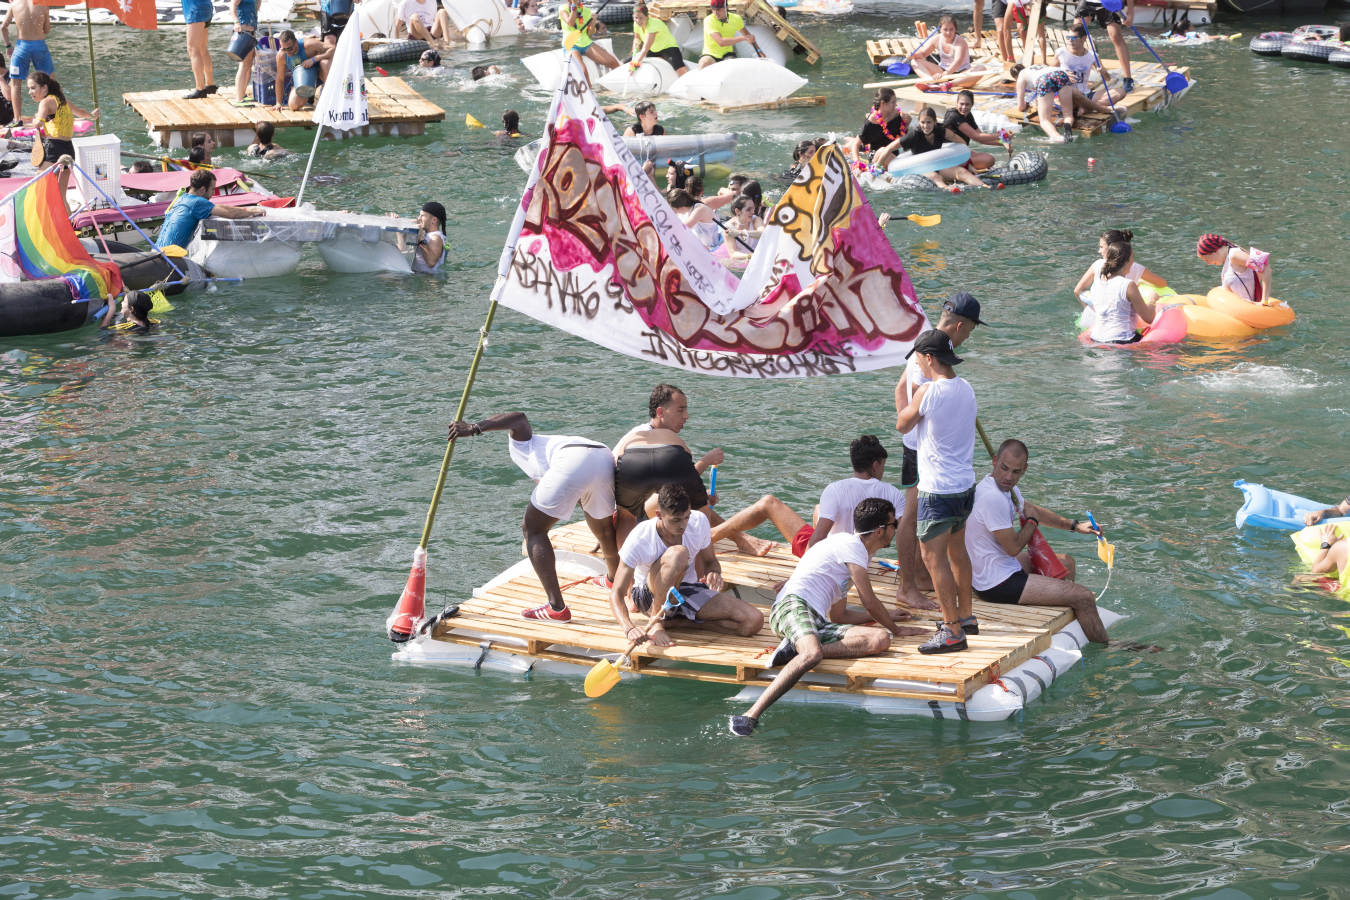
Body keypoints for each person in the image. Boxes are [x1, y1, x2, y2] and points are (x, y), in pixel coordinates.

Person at [727, 497, 926, 736]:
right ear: (880, 530)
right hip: (792, 606)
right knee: (812, 654)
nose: (895, 530)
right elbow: (869, 601)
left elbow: (840, 615)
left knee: (880, 639)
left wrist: (887, 619)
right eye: (894, 525)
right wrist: (897, 628)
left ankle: (794, 649)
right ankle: (750, 715)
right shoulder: (851, 547)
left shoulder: (856, 553)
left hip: (818, 620)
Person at [447, 412, 620, 621]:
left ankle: (556, 608)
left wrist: (474, 428)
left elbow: (519, 418)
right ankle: (614, 580)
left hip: (573, 459)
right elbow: (581, 493)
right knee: (604, 531)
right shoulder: (549, 446)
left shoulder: (521, 446)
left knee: (533, 529)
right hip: (602, 454)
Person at [964, 439, 1111, 643]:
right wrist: (1032, 523)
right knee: (1084, 596)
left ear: (1025, 469)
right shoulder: (992, 497)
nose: (1008, 477)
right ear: (994, 461)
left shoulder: (1006, 489)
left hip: (1002, 566)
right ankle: (1109, 645)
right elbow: (1014, 548)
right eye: (1004, 468)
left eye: (1016, 472)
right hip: (995, 583)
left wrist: (1075, 525)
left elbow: (1034, 510)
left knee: (1067, 562)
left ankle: (1062, 615)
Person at [893, 293, 983, 612]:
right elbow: (912, 399)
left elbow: (903, 392)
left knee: (923, 520)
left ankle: (920, 577)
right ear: (960, 325)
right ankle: (908, 586)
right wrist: (911, 430)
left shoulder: (929, 344)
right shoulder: (929, 353)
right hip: (923, 454)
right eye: (970, 330)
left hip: (930, 450)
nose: (968, 337)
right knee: (914, 515)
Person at [613, 384, 776, 556]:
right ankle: (735, 542)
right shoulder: (646, 438)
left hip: (630, 510)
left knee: (693, 498)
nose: (686, 416)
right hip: (633, 515)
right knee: (691, 501)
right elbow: (675, 484)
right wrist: (705, 462)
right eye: (680, 410)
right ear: (660, 412)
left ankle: (736, 538)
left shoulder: (640, 437)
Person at [608, 484, 763, 647]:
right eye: (675, 520)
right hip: (648, 595)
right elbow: (616, 593)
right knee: (678, 554)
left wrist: (714, 572)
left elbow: (711, 562)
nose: (683, 525)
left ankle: (677, 623)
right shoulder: (640, 537)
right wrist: (629, 628)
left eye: (686, 517)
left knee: (753, 622)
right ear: (659, 515)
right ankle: (657, 621)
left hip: (686, 589)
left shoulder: (699, 521)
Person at [803, 435, 936, 612]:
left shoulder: (834, 489)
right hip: (863, 559)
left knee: (820, 510)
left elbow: (818, 537)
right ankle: (913, 581)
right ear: (875, 465)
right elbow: (909, 532)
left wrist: (802, 574)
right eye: (882, 465)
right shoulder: (891, 492)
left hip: (834, 560)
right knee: (911, 524)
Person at [154, 168, 266, 250]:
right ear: (203, 189)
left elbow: (217, 207)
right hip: (170, 258)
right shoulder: (197, 202)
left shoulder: (180, 199)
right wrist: (250, 211)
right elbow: (230, 214)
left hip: (156, 251)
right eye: (212, 189)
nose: (213, 193)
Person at [1077, 239, 1154, 344]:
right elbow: (1149, 318)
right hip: (1122, 340)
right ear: (1127, 261)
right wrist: (1152, 301)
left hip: (1096, 338)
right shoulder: (1128, 285)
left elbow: (1078, 291)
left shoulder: (1098, 284)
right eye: (1132, 258)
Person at [897, 106, 990, 192]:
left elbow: (962, 144)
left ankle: (985, 186)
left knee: (961, 171)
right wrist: (882, 168)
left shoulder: (941, 131)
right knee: (935, 177)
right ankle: (947, 189)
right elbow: (890, 147)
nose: (926, 126)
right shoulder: (914, 135)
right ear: (918, 122)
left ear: (934, 122)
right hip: (920, 167)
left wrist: (967, 162)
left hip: (937, 165)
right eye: (923, 122)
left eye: (929, 122)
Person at [26, 73, 97, 169]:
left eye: (33, 88)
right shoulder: (64, 102)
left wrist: (36, 119)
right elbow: (81, 113)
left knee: (41, 182)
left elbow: (38, 123)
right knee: (62, 184)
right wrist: (92, 116)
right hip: (68, 148)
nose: (29, 92)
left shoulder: (45, 102)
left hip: (54, 147)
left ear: (44, 87)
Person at [1056, 26, 1126, 116]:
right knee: (1071, 92)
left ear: (1083, 38)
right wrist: (1063, 74)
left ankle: (1088, 107)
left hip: (1085, 94)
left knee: (1121, 92)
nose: (1070, 40)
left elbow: (1107, 79)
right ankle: (1091, 107)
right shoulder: (1061, 53)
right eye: (1068, 38)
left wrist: (1104, 72)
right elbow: (1047, 73)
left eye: (1073, 38)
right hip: (1068, 95)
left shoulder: (1093, 56)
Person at [2, 0, 50, 126]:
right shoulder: (43, 4)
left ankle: (17, 120)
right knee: (49, 81)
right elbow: (46, 30)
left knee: (15, 84)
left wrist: (8, 46)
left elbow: (3, 27)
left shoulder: (14, 4)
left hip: (22, 47)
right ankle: (50, 115)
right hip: (39, 46)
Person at [1076, 0, 1134, 93]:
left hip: (1109, 2)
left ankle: (1128, 79)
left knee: (1116, 36)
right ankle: (1076, 76)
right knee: (1076, 35)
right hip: (1088, 1)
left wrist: (1130, 13)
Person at [1196, 233, 1272, 304]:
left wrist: (1264, 300)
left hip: (1248, 310)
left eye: (1206, 259)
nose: (1208, 263)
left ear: (1213, 251)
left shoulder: (1234, 255)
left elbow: (1265, 269)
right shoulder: (1229, 257)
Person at [1010, 63, 1077, 142]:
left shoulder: (1021, 76)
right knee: (1068, 115)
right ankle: (1068, 134)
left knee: (1044, 121)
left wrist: (1026, 104)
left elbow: (1021, 107)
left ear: (1015, 78)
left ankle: (1059, 138)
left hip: (1045, 79)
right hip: (1061, 74)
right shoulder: (1035, 67)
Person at [942, 90, 1005, 171]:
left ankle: (965, 166)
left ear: (972, 105)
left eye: (967, 104)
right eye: (961, 104)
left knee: (982, 157)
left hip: (959, 150)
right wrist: (1001, 134)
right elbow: (977, 137)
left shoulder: (968, 115)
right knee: (989, 159)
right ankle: (958, 168)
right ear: (956, 103)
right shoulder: (953, 116)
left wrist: (1002, 143)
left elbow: (982, 139)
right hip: (948, 153)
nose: (964, 107)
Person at [560, 0, 620, 82]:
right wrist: (574, 4)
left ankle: (615, 86)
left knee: (613, 62)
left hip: (586, 43)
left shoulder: (586, 11)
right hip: (571, 45)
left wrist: (593, 21)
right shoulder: (563, 8)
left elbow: (589, 34)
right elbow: (571, 22)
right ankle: (590, 92)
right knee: (583, 72)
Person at [274, 30, 332, 111]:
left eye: (290, 48)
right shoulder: (281, 56)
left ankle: (328, 94)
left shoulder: (308, 45)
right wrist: (278, 103)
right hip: (303, 80)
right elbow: (280, 79)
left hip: (320, 74)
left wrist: (314, 59)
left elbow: (333, 49)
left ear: (296, 42)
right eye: (284, 49)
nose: (288, 51)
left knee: (325, 63)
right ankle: (304, 93)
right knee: (293, 106)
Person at [853, 87, 908, 169]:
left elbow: (903, 137)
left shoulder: (898, 115)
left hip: (894, 155)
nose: (896, 105)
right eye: (893, 102)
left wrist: (907, 123)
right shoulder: (872, 121)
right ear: (883, 104)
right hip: (876, 155)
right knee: (883, 150)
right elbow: (856, 144)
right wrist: (857, 164)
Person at [629, 2, 687, 75]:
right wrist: (634, 51)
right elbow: (637, 39)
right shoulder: (636, 24)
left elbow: (645, 48)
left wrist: (635, 63)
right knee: (626, 61)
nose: (638, 21)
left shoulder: (654, 24)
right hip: (653, 50)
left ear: (647, 16)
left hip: (668, 48)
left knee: (680, 70)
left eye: (641, 18)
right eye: (636, 18)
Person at [910, 16, 971, 83]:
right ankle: (930, 82)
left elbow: (957, 62)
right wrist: (913, 55)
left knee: (981, 68)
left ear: (955, 29)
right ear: (940, 29)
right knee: (914, 61)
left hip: (960, 74)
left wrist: (945, 74)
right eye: (945, 29)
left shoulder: (960, 41)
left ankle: (949, 84)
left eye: (951, 29)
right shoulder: (936, 39)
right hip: (942, 71)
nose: (948, 33)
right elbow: (923, 54)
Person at [699, 0, 758, 69]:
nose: (716, 13)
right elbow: (721, 42)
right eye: (713, 9)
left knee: (733, 69)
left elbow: (750, 37)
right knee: (703, 64)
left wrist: (760, 52)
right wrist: (743, 38)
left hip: (727, 54)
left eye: (718, 10)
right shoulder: (708, 20)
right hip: (710, 54)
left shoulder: (736, 19)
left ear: (726, 7)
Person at [180, 0, 216, 99]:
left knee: (193, 49)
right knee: (202, 48)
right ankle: (210, 85)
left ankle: (200, 89)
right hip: (205, 6)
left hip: (195, 9)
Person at [229, 0, 258, 107]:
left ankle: (243, 93)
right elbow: (233, 4)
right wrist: (236, 22)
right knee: (243, 65)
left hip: (251, 31)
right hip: (243, 31)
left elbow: (256, 7)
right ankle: (238, 99)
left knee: (248, 64)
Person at [395, 0, 460, 44]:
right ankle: (432, 43)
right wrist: (396, 42)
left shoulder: (432, 1)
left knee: (442, 12)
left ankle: (447, 41)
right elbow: (397, 26)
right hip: (416, 34)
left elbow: (434, 20)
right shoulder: (405, 3)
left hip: (430, 32)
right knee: (415, 17)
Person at [411, 200, 446, 275]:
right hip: (419, 276)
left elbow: (431, 262)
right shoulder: (427, 235)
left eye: (422, 216)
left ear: (434, 220)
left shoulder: (436, 237)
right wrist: (396, 220)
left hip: (429, 280)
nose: (419, 218)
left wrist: (420, 237)